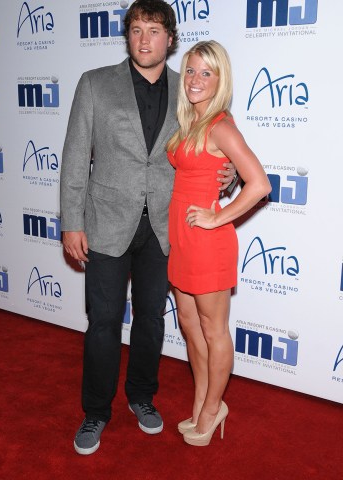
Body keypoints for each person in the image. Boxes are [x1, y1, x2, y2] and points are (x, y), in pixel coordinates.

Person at [60, 1, 235, 455]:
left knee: (152, 321)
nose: (144, 39)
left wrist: (229, 174)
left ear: (170, 39)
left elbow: (213, 147)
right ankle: (96, 411)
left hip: (165, 226)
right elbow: (76, 158)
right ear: (128, 35)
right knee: (102, 322)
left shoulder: (190, 89)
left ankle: (142, 396)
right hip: (106, 222)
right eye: (136, 29)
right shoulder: (95, 83)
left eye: (154, 31)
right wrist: (71, 222)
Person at [166, 40, 271, 446]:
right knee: (189, 326)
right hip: (181, 237)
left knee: (214, 331)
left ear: (220, 80)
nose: (195, 79)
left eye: (206, 73)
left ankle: (214, 408)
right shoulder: (189, 121)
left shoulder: (220, 125)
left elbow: (259, 184)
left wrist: (217, 216)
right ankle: (199, 401)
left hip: (208, 244)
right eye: (191, 70)